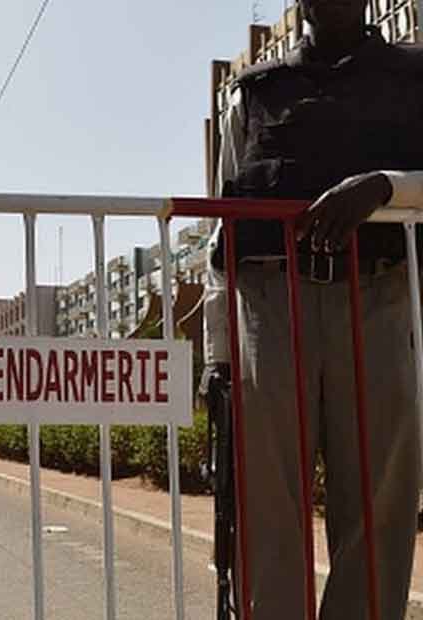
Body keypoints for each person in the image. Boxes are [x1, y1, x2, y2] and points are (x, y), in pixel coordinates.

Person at [203, 0, 423, 617]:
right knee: (269, 509)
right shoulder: (255, 94)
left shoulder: (412, 77)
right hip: (270, 305)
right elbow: (222, 233)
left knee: (380, 506)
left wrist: (385, 185)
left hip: (377, 297)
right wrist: (219, 353)